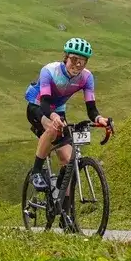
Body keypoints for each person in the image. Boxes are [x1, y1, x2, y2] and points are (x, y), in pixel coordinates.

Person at [24, 37, 110, 191]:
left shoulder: (87, 78)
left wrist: (99, 118)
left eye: (82, 62)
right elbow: (44, 102)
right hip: (37, 105)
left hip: (58, 109)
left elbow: (91, 108)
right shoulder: (49, 71)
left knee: (69, 160)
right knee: (52, 128)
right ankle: (36, 172)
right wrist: (54, 117)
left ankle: (64, 209)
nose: (77, 65)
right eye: (74, 59)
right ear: (66, 57)